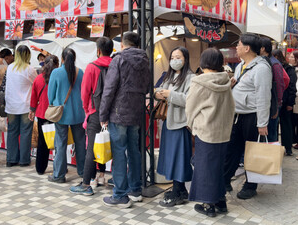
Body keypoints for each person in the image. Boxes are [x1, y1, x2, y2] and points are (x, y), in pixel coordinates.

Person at [99, 31, 151, 208]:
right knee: (134, 151)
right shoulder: (145, 61)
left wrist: (103, 114)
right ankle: (135, 190)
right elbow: (146, 86)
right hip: (136, 112)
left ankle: (120, 195)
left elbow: (109, 89)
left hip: (119, 112)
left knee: (119, 152)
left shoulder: (118, 60)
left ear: (122, 43)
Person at [186, 48, 235, 217]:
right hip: (223, 131)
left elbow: (190, 107)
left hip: (206, 131)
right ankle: (220, 201)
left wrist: (191, 125)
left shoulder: (199, 82)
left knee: (205, 168)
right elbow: (231, 106)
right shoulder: (225, 80)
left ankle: (208, 205)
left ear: (203, 62)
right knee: (217, 167)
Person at [223, 33, 272, 200]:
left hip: (253, 116)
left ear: (247, 48)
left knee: (252, 152)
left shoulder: (262, 68)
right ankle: (224, 180)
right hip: (237, 114)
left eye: (239, 44)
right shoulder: (241, 65)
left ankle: (251, 185)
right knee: (231, 150)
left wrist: (262, 122)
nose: (236, 47)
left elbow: (264, 96)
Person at [69, 37, 113, 196]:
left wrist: (88, 111)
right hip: (113, 113)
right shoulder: (115, 65)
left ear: (98, 50)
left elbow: (85, 93)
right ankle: (107, 178)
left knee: (91, 149)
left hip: (96, 113)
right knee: (114, 146)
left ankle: (86, 184)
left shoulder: (92, 67)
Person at [154, 46, 194, 207]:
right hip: (168, 122)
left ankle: (178, 192)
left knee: (179, 158)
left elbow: (190, 100)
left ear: (185, 59)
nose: (174, 60)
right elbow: (159, 90)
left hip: (180, 123)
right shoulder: (168, 76)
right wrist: (158, 93)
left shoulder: (191, 77)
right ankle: (180, 189)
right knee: (171, 157)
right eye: (172, 57)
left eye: (178, 57)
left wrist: (170, 95)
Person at [47, 48, 86, 183]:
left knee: (61, 143)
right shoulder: (80, 72)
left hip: (61, 114)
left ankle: (59, 175)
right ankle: (83, 172)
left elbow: (50, 94)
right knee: (80, 143)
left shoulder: (56, 72)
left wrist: (53, 103)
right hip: (79, 114)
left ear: (62, 59)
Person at [4, 46, 38, 167]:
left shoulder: (10, 68)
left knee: (12, 131)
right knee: (26, 132)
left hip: (11, 105)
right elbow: (37, 83)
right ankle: (24, 160)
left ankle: (11, 159)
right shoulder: (30, 69)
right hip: (25, 106)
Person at [29, 55, 59, 175]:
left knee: (42, 142)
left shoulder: (38, 79)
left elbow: (34, 97)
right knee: (58, 142)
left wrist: (32, 110)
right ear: (57, 65)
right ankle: (59, 168)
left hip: (42, 114)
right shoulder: (59, 78)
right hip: (56, 113)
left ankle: (40, 168)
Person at [260, 38, 285, 142]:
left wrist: (277, 105)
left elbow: (280, 85)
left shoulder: (274, 64)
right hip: (265, 103)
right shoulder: (261, 62)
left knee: (271, 133)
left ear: (263, 49)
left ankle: (272, 157)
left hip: (272, 104)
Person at [273, 49, 297, 156]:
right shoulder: (285, 68)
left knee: (284, 125)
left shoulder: (288, 69)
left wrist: (290, 103)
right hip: (281, 100)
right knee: (283, 125)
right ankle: (284, 148)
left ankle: (287, 148)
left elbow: (292, 86)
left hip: (284, 100)